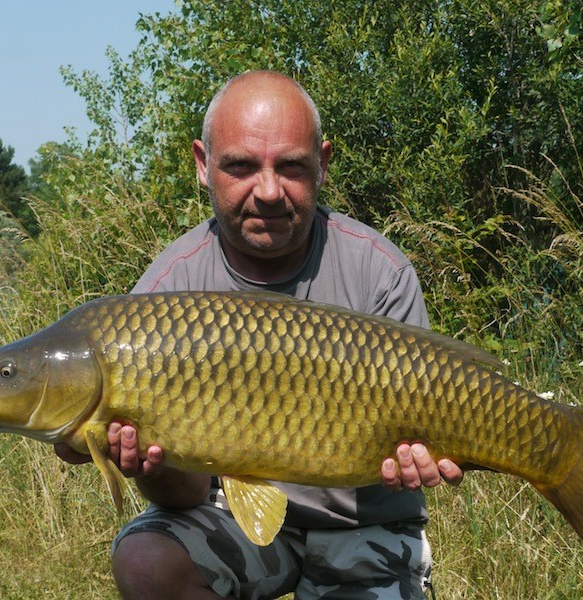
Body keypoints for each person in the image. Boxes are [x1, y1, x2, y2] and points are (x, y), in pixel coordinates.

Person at [56, 70, 463, 599]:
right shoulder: (162, 294)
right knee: (148, 562)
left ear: (323, 163)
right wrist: (148, 464)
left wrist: (429, 453)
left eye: (291, 167)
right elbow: (182, 498)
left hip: (366, 522)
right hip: (237, 518)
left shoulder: (378, 271)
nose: (268, 192)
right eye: (242, 166)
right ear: (204, 165)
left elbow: (429, 437)